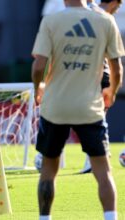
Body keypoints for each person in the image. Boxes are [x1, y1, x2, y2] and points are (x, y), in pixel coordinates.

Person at [31, 0, 124, 219]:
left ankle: (45, 218)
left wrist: (37, 89)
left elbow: (38, 67)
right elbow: (117, 69)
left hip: (55, 107)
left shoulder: (51, 21)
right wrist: (112, 90)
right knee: (103, 171)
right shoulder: (105, 20)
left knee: (48, 170)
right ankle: (110, 217)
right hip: (89, 107)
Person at [79, 0, 122, 174]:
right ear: (113, 3)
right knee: (95, 118)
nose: (117, 10)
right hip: (98, 74)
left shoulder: (82, 13)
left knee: (95, 118)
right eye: (118, 6)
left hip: (87, 74)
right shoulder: (102, 17)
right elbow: (116, 60)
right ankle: (98, 156)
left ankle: (96, 157)